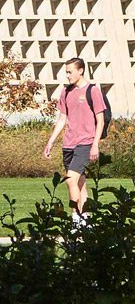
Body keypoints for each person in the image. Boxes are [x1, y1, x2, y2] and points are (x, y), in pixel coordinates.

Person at [39, 57, 108, 225]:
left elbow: (101, 121)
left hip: (85, 143)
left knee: (70, 179)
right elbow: (62, 119)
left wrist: (95, 145)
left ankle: (75, 219)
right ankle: (86, 222)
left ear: (81, 70)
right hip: (68, 144)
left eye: (70, 72)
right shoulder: (66, 92)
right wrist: (50, 142)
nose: (67, 75)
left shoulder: (93, 91)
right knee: (80, 184)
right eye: (66, 72)